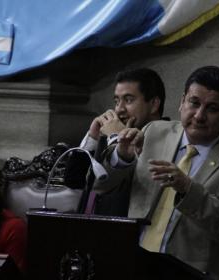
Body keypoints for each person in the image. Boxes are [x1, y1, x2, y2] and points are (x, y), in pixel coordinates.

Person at [95, 66, 219, 280]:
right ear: (182, 101)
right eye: (194, 103)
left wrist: (187, 189)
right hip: (134, 268)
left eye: (212, 108)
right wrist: (122, 157)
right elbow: (101, 186)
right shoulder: (154, 131)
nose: (199, 115)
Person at [65, 67, 166, 216]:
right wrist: (93, 137)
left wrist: (117, 137)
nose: (119, 109)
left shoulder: (167, 138)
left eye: (128, 100)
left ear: (154, 104)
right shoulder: (110, 135)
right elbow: (73, 181)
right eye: (117, 101)